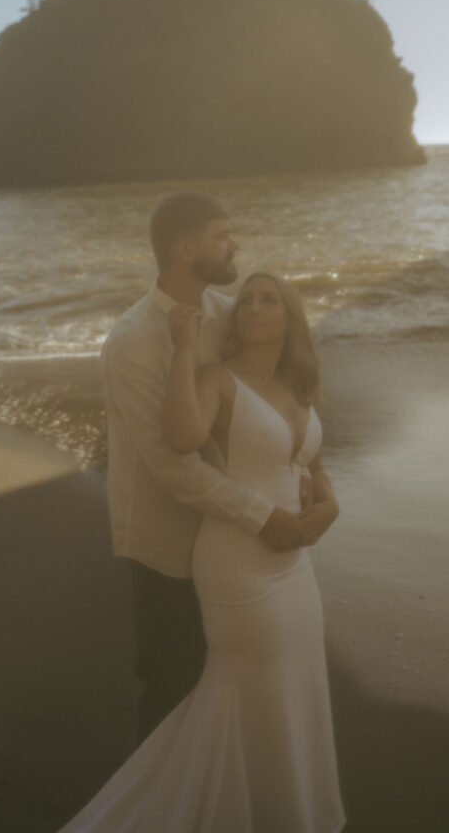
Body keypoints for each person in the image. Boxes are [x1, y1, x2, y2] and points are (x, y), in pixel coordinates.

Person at [58, 264, 345, 832]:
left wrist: (330, 504)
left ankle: (289, 812)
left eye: (269, 300)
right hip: (238, 559)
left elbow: (310, 461)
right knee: (246, 684)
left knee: (297, 677)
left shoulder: (297, 384)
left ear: (290, 316)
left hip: (295, 563)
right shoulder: (217, 377)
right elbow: (183, 440)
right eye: (247, 301)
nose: (254, 308)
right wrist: (185, 347)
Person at [100, 192, 328, 741]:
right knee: (174, 682)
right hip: (168, 542)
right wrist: (264, 517)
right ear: (185, 250)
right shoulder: (133, 342)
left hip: (237, 543)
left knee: (237, 679)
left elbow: (281, 397)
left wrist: (320, 485)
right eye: (223, 235)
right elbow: (170, 464)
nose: (235, 245)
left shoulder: (230, 316)